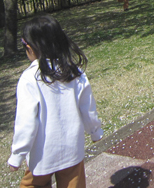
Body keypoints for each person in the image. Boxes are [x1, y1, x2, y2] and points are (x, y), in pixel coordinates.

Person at [8, 15, 104, 188]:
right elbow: (87, 107)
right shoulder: (75, 72)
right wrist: (95, 131)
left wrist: (17, 155)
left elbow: (26, 122)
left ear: (29, 47)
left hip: (42, 154)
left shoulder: (29, 78)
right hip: (72, 151)